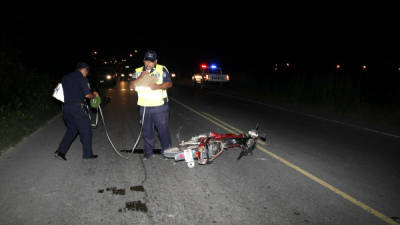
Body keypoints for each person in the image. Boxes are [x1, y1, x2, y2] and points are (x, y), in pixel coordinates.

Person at [129, 50, 173, 159]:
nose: (149, 63)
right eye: (147, 61)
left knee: (163, 131)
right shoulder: (138, 71)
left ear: (156, 61)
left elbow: (169, 83)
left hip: (160, 107)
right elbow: (131, 86)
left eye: (151, 61)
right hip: (144, 107)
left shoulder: (162, 69)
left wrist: (157, 86)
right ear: (144, 61)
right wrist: (140, 77)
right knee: (147, 132)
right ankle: (148, 153)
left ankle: (167, 152)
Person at [55, 62, 99, 160]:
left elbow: (56, 92)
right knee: (86, 130)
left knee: (72, 130)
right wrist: (95, 95)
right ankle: (87, 154)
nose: (86, 74)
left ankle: (60, 152)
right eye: (87, 72)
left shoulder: (65, 77)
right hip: (78, 108)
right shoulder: (82, 78)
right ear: (85, 70)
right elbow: (87, 95)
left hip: (65, 108)